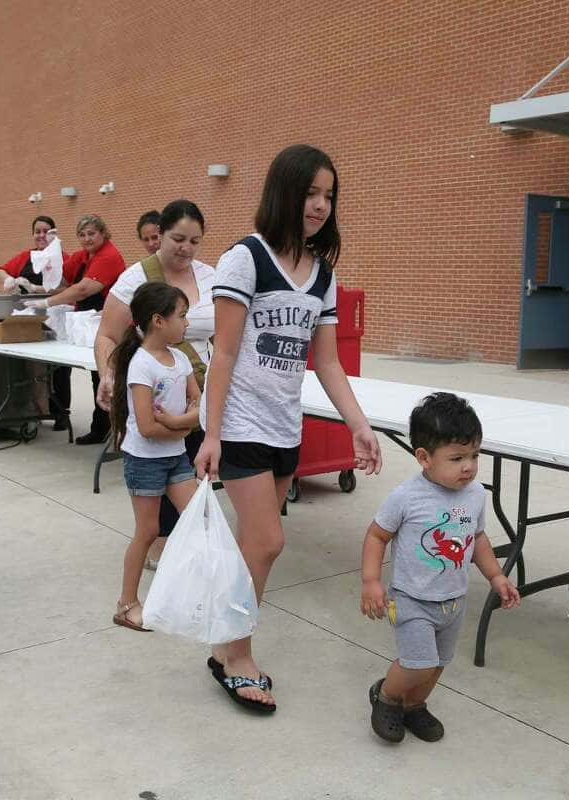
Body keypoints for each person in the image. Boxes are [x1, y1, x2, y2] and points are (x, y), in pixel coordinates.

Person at [194, 144, 383, 713]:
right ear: (285, 192)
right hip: (241, 421)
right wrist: (211, 433)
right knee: (270, 539)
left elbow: (325, 361)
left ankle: (224, 645)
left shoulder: (322, 277)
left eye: (329, 195)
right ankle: (238, 657)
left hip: (284, 426)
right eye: (311, 193)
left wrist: (359, 425)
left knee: (260, 547)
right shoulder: (244, 260)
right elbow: (223, 354)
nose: (321, 205)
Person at [360, 392, 521, 743]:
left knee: (438, 663)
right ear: (424, 457)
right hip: (412, 600)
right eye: (457, 457)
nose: (469, 466)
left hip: (454, 600)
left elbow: (477, 538)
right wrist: (371, 580)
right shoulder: (406, 497)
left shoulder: (475, 494)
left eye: (475, 455)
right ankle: (387, 697)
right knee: (416, 662)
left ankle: (414, 706)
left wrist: (496, 576)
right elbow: (376, 535)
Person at [96, 200, 213, 570]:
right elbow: (107, 336)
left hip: (202, 390)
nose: (186, 248)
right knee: (160, 462)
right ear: (158, 235)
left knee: (193, 469)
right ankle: (159, 539)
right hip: (156, 391)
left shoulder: (211, 277)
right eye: (178, 238)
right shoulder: (135, 278)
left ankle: (189, 539)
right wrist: (108, 375)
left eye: (194, 241)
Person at [108, 282, 200, 632]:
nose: (187, 323)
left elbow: (199, 404)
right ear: (158, 321)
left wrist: (177, 424)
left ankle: (188, 591)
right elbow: (146, 426)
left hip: (175, 455)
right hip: (144, 460)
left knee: (196, 520)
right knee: (147, 531)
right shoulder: (141, 365)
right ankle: (126, 604)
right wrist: (183, 427)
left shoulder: (179, 358)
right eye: (182, 316)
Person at [28, 214, 125, 444]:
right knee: (95, 374)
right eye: (82, 235)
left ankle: (107, 427)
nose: (87, 239)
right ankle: (102, 427)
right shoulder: (82, 256)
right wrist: (50, 255)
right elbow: (62, 281)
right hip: (87, 323)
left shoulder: (109, 256)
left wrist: (47, 303)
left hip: (108, 319)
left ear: (103, 234)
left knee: (104, 373)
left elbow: (83, 290)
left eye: (92, 233)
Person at [0, 215, 70, 428]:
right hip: (29, 319)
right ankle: (35, 409)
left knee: (60, 368)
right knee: (32, 366)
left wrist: (37, 290)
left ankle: (61, 413)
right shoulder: (25, 257)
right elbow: (0, 270)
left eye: (45, 231)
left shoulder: (63, 258)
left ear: (53, 234)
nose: (41, 235)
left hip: (55, 316)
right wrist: (8, 280)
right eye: (37, 231)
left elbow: (68, 287)